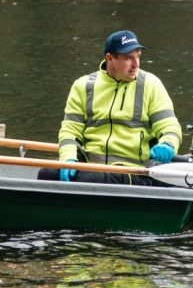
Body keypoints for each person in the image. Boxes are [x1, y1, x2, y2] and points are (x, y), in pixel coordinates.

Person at [41, 30, 183, 185]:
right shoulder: (83, 86)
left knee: (93, 179)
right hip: (92, 168)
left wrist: (168, 144)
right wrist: (68, 159)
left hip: (135, 171)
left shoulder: (151, 84)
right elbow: (70, 131)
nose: (136, 64)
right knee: (46, 174)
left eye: (138, 56)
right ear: (109, 58)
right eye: (129, 58)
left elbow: (170, 127)